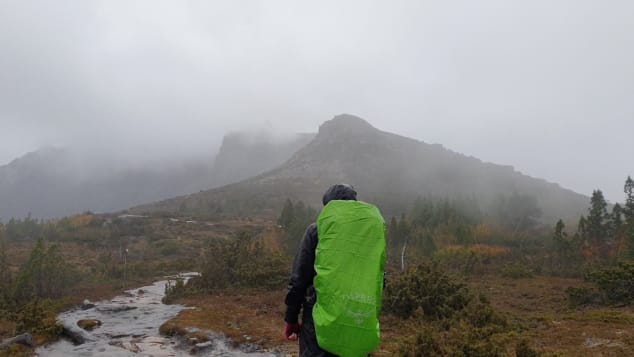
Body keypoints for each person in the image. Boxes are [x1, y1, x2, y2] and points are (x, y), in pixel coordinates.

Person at [283, 184, 386, 357]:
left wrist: (291, 319)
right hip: (359, 320)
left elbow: (299, 278)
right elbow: (379, 278)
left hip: (318, 322)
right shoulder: (371, 235)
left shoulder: (317, 230)